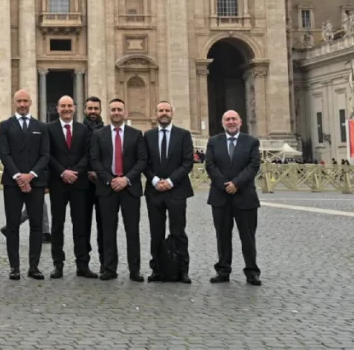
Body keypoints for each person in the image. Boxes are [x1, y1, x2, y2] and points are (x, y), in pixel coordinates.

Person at [89, 98, 147, 282]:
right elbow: (95, 160)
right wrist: (110, 179)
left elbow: (142, 160)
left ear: (125, 112)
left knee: (132, 230)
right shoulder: (98, 135)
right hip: (107, 188)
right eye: (113, 109)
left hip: (129, 188)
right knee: (108, 230)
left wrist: (126, 179)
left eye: (119, 109)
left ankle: (134, 269)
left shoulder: (136, 134)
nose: (116, 112)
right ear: (109, 112)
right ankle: (109, 268)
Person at [205, 110, 262, 286]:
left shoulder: (251, 141)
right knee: (222, 236)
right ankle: (223, 270)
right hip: (221, 196)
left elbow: (253, 166)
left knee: (248, 236)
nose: (231, 122)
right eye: (227, 119)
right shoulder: (214, 142)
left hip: (244, 195)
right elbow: (210, 165)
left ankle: (252, 271)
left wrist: (236, 184)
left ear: (240, 122)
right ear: (223, 123)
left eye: (233, 119)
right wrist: (225, 184)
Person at [0, 89, 50, 281]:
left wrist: (31, 175)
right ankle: (14, 267)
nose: (22, 104)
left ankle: (34, 266)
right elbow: (4, 153)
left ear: (30, 102)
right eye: (19, 101)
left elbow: (45, 154)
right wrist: (19, 177)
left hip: (35, 183)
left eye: (25, 101)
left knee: (36, 225)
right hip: (13, 183)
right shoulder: (5, 125)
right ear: (14, 103)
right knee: (12, 226)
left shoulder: (41, 127)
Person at [144, 101, 194, 283]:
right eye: (160, 110)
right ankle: (156, 269)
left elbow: (188, 162)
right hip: (155, 191)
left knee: (178, 231)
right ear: (155, 113)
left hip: (177, 190)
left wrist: (171, 181)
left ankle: (183, 269)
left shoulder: (184, 135)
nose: (164, 113)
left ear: (172, 113)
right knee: (156, 232)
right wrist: (156, 181)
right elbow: (144, 162)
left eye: (167, 110)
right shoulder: (147, 136)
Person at [46, 96, 96, 279]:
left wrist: (74, 172)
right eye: (63, 106)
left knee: (80, 226)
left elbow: (88, 154)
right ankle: (57, 264)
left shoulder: (84, 130)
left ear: (74, 108)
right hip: (58, 183)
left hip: (79, 183)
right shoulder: (49, 128)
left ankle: (82, 264)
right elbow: (47, 154)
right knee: (57, 225)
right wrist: (62, 172)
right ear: (57, 108)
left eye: (69, 106)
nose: (66, 109)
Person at [81, 96, 106, 260]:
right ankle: (83, 261)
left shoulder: (108, 131)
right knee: (83, 225)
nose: (92, 112)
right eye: (90, 109)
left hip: (102, 182)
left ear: (100, 110)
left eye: (95, 109)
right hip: (83, 183)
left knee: (104, 225)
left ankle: (106, 262)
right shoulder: (78, 130)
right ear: (84, 110)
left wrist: (99, 172)